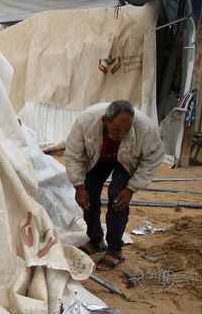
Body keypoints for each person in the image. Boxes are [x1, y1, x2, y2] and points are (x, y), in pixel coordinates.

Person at [64, 100, 164, 271]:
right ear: (104, 121)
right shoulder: (85, 122)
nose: (121, 135)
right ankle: (95, 240)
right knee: (89, 193)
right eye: (117, 130)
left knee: (118, 197)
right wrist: (78, 186)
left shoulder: (146, 128)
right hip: (99, 157)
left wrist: (131, 188)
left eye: (126, 130)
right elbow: (73, 155)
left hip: (127, 161)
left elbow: (152, 159)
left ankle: (115, 248)